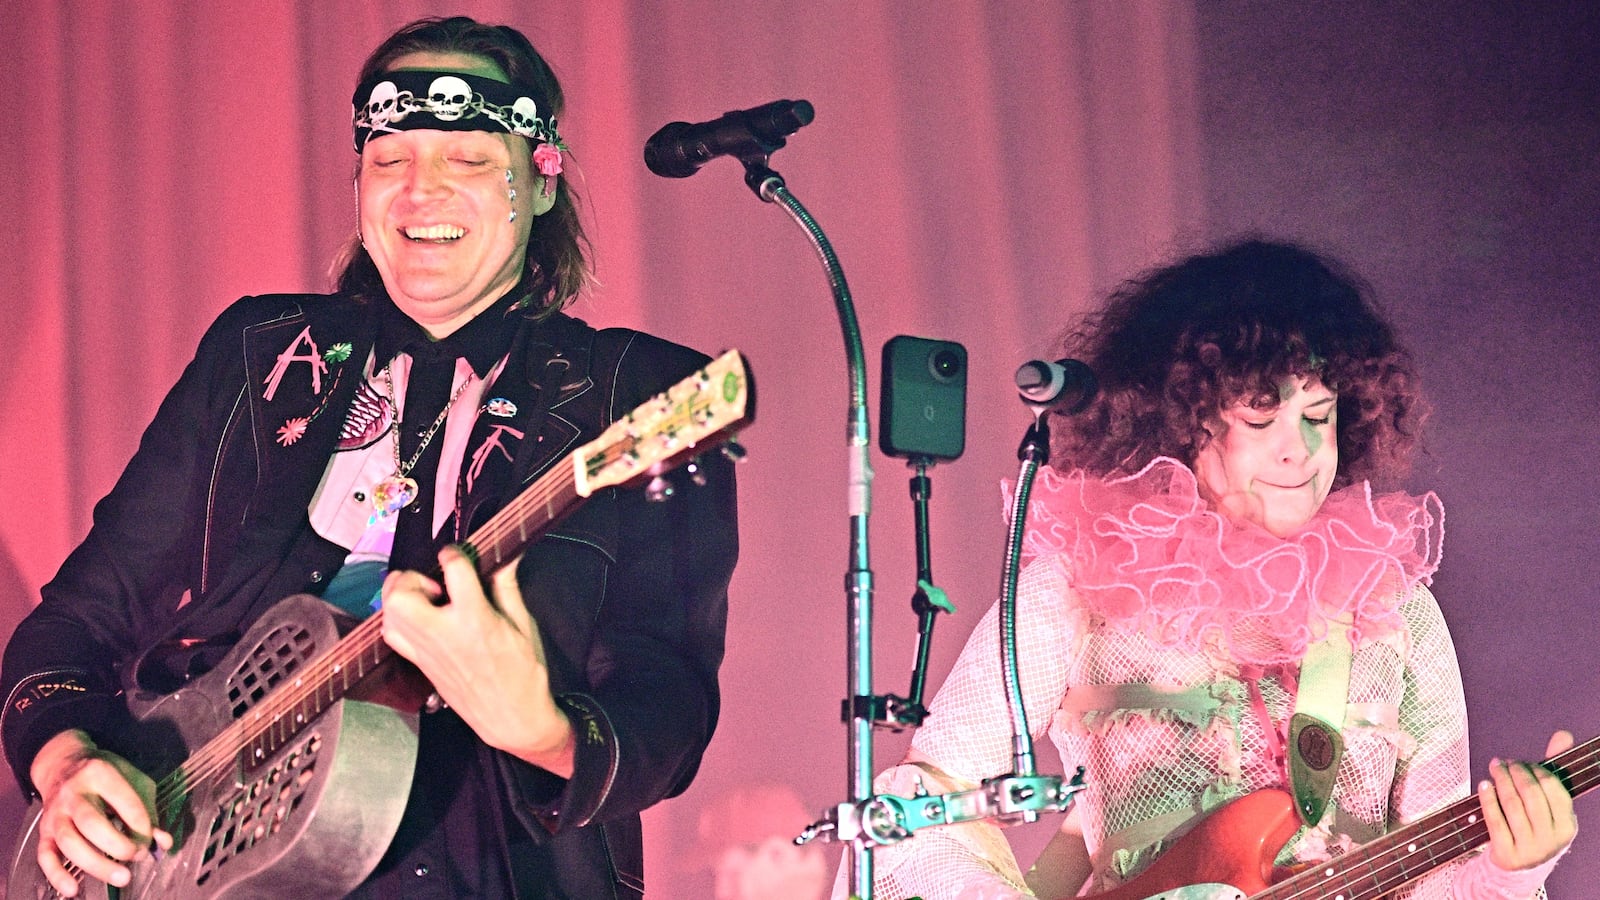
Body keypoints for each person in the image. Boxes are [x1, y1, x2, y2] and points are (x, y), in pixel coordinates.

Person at [2, 15, 737, 899]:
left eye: (467, 161)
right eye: (391, 162)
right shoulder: (257, 355)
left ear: (541, 186)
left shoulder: (638, 391)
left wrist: (540, 727)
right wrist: (65, 759)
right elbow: (74, 625)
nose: (421, 193)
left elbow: (669, 705)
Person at [855, 239, 1575, 899]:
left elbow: (1436, 881)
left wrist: (1514, 868)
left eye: (1319, 415)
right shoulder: (1082, 585)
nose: (1301, 450)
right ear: (1183, 421)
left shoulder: (1394, 608)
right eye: (1261, 422)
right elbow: (918, 811)